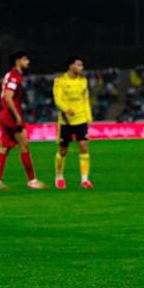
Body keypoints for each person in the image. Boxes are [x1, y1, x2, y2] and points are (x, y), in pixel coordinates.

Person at [0, 51, 46, 190]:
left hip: (4, 114)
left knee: (4, 148)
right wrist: (17, 116)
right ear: (18, 61)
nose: (28, 61)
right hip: (11, 115)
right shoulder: (15, 76)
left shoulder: (9, 75)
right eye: (25, 59)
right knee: (24, 146)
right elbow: (8, 97)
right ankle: (32, 181)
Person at [53, 56, 93, 189]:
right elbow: (58, 99)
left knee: (84, 146)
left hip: (81, 119)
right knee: (63, 150)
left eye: (82, 65)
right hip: (66, 121)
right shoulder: (60, 81)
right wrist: (66, 109)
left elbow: (85, 100)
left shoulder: (83, 81)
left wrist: (88, 117)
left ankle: (85, 179)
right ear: (71, 66)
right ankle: (59, 176)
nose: (81, 68)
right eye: (79, 65)